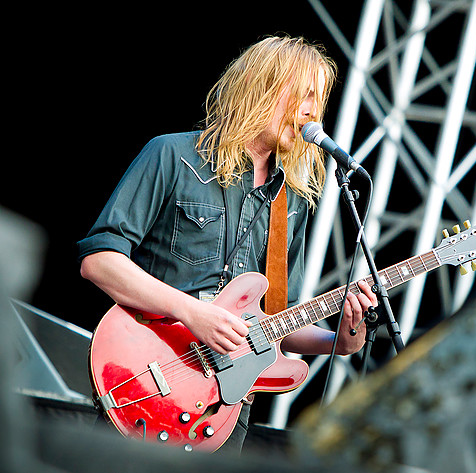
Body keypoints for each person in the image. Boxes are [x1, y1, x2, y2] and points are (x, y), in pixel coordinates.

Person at [77, 35, 377, 453]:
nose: (313, 111)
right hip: (147, 382)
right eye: (304, 94)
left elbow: (276, 321)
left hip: (221, 414)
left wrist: (339, 341)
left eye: (319, 99)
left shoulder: (289, 204)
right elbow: (99, 261)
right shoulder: (172, 155)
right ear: (262, 86)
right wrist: (191, 312)